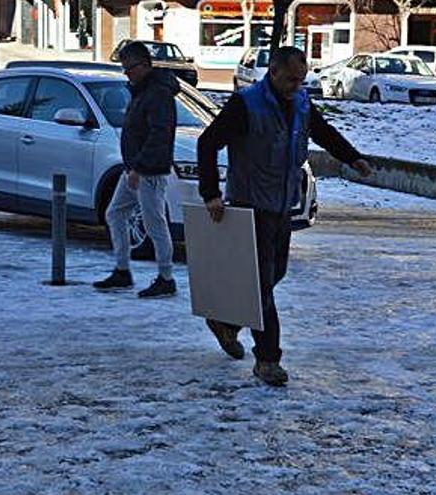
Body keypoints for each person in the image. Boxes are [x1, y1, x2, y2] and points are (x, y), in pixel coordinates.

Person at [197, 46, 372, 386]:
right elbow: (207, 143)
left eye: (302, 79)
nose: (298, 85)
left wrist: (353, 158)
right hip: (250, 203)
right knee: (262, 284)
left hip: (282, 204)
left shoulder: (302, 102)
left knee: (276, 273)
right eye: (292, 79)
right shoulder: (246, 104)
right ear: (273, 73)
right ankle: (267, 359)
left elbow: (323, 133)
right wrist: (211, 194)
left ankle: (227, 323)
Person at [93, 41, 179, 299]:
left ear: (143, 65)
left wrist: (139, 168)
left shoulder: (157, 93)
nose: (126, 74)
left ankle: (166, 277)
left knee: (155, 223)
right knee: (115, 213)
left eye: (129, 68)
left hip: (147, 171)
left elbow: (159, 135)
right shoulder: (144, 91)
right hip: (135, 169)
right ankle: (122, 270)